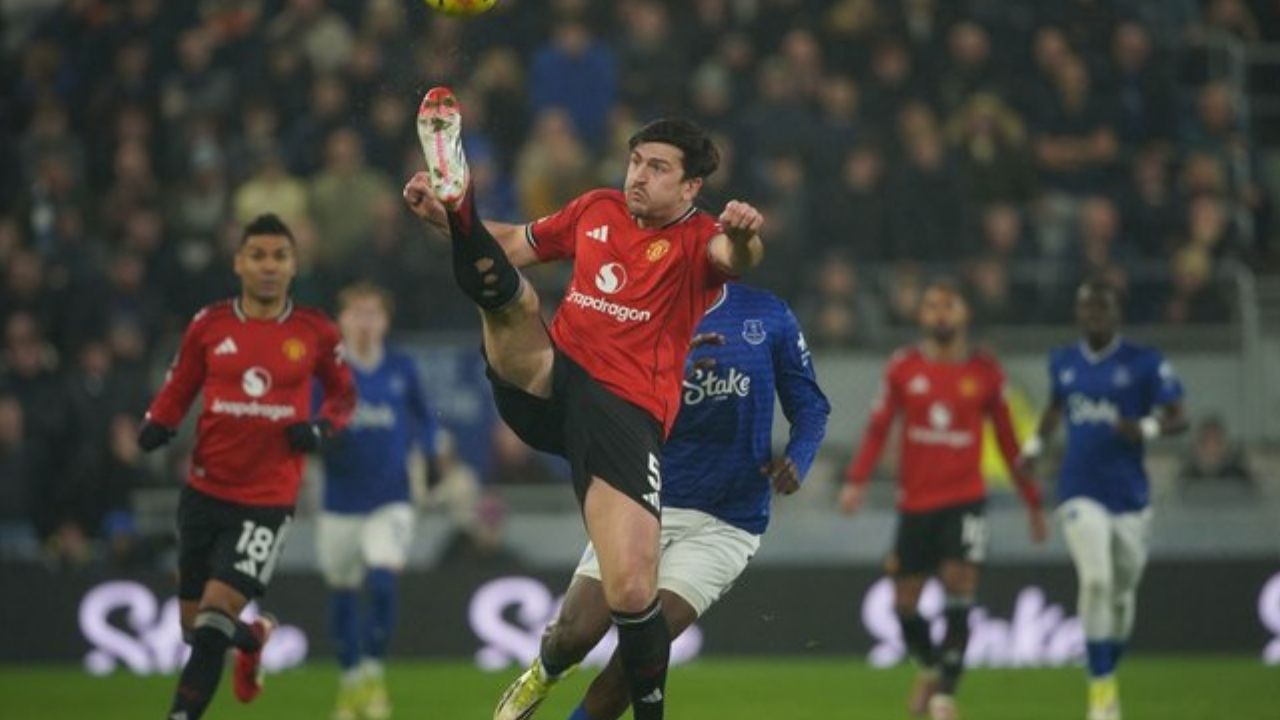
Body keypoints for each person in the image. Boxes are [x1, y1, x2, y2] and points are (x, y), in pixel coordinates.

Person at [403, 87, 764, 720]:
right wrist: (443, 219)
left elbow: (735, 257)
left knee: (627, 594)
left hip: (622, 415)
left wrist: (744, 235)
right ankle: (460, 208)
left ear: (690, 187)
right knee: (515, 301)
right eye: (636, 161)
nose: (638, 176)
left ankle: (545, 676)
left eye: (658, 168)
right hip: (549, 381)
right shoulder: (597, 208)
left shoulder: (701, 238)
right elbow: (515, 244)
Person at [504, 282, 829, 720]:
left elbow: (810, 406)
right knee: (574, 634)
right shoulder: (637, 315)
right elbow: (595, 401)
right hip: (641, 497)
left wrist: (798, 459)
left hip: (728, 522)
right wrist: (666, 371)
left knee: (637, 660)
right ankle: (542, 675)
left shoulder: (769, 315)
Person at [138, 213, 356, 720]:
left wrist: (321, 429)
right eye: (258, 256)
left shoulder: (315, 330)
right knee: (194, 628)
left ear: (294, 265)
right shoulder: (209, 324)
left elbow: (344, 397)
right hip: (204, 490)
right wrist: (159, 421)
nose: (268, 266)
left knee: (214, 618)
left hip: (266, 501)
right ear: (238, 263)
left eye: (279, 257)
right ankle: (253, 637)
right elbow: (181, 383)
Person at [839, 279, 1046, 720]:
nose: (939, 313)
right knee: (905, 604)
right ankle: (932, 669)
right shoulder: (903, 368)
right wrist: (856, 480)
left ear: (964, 314)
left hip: (965, 499)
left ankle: (944, 697)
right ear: (921, 315)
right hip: (916, 503)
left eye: (948, 305)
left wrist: (1032, 500)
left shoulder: (986, 372)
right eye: (932, 305)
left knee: (959, 582)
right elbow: (878, 427)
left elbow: (1008, 441)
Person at [1019, 279, 1186, 720]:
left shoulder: (1144, 361)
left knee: (1121, 595)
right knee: (1095, 581)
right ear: (1078, 313)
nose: (1093, 316)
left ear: (1117, 313)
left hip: (1129, 496)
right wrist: (1034, 448)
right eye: (1086, 308)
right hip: (1079, 487)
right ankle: (1101, 692)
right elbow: (1055, 407)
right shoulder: (1064, 361)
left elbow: (1179, 417)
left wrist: (1145, 428)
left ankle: (1106, 672)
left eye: (1102, 308)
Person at [317, 282, 440, 720]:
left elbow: (426, 416)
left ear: (385, 321)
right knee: (343, 593)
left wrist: (430, 452)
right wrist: (324, 436)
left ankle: (372, 673)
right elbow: (309, 424)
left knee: (384, 582)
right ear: (341, 321)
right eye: (357, 313)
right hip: (339, 501)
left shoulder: (401, 367)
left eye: (373, 313)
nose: (365, 322)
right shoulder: (328, 373)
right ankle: (350, 683)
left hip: (391, 498)